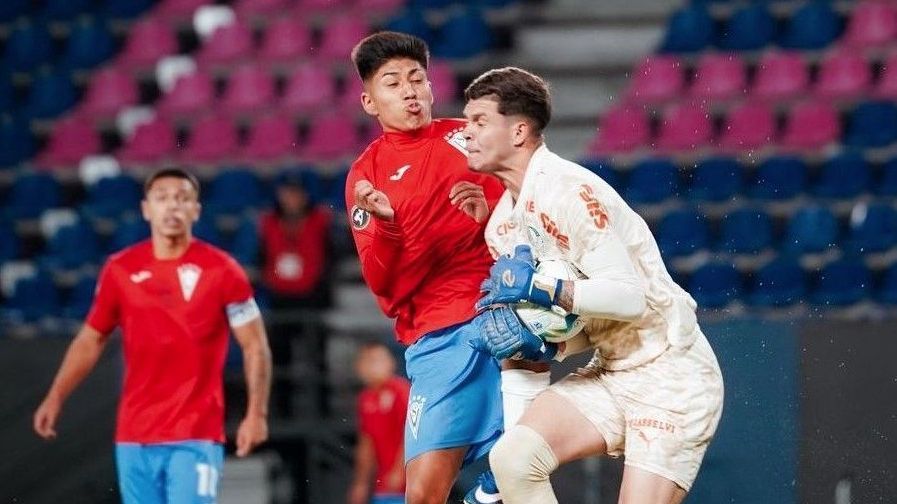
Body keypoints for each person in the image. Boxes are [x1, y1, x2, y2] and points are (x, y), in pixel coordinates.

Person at [462, 67, 725, 504]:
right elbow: (563, 331)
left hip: (670, 373)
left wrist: (545, 290)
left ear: (520, 131)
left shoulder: (572, 192)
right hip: (611, 370)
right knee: (512, 460)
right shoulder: (502, 229)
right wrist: (547, 343)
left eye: (479, 121)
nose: (466, 133)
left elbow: (630, 299)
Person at [345, 31, 553, 504]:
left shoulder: (472, 137)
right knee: (422, 496)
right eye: (393, 82)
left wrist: (492, 217)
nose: (410, 91)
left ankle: (493, 488)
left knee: (530, 458)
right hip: (436, 337)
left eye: (417, 78)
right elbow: (381, 283)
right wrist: (388, 228)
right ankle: (488, 492)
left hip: (500, 313)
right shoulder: (367, 175)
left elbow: (535, 213)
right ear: (369, 101)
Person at [33, 168, 273, 504]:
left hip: (196, 431)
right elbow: (91, 339)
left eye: (182, 198)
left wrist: (256, 414)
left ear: (196, 210)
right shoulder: (120, 269)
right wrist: (56, 396)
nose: (172, 206)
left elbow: (255, 346)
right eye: (162, 198)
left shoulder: (222, 270)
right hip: (135, 434)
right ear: (147, 209)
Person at [259, 168, 333, 417]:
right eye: (287, 193)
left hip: (311, 301)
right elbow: (261, 258)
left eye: (296, 193)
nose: (291, 199)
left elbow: (330, 257)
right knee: (280, 363)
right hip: (280, 302)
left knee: (317, 362)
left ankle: (321, 413)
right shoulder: (268, 222)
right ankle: (282, 414)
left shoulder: (320, 220)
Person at [348, 341, 411, 504]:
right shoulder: (365, 399)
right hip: (383, 484)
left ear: (391, 362)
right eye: (367, 361)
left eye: (377, 360)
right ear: (358, 367)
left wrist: (400, 471)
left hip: (409, 481)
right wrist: (360, 483)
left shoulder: (401, 390)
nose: (372, 366)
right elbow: (366, 444)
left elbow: (412, 432)